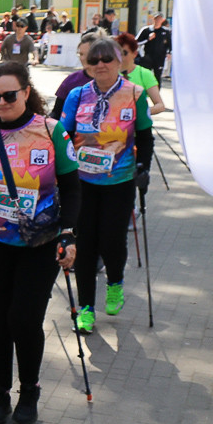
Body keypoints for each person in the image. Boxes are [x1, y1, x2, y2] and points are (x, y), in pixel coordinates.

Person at [0, 61, 81, 424]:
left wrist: (69, 233)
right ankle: (0, 392)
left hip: (39, 242)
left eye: (9, 95)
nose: (1, 102)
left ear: (27, 92)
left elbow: (72, 188)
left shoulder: (51, 131)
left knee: (24, 319)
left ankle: (30, 390)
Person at [61, 37, 153, 334]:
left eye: (107, 59)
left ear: (119, 62)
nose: (100, 65)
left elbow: (145, 135)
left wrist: (143, 167)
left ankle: (115, 283)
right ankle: (86, 308)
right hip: (83, 181)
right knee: (84, 245)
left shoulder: (134, 93)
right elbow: (63, 137)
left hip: (120, 180)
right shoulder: (77, 95)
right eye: (93, 60)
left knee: (112, 240)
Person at [51, 31, 100, 120]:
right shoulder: (71, 81)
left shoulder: (112, 80)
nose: (82, 58)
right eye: (80, 54)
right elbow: (56, 114)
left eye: (87, 54)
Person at [117, 33, 166, 115]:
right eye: (117, 53)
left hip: (136, 125)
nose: (120, 56)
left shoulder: (144, 74)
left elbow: (160, 105)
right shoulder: (109, 72)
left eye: (124, 53)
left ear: (135, 54)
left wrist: (138, 113)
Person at [136, 13, 171, 88]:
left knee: (157, 76)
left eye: (160, 19)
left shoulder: (166, 32)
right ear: (153, 19)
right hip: (147, 57)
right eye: (156, 18)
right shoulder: (146, 30)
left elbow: (170, 44)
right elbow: (137, 42)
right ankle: (144, 92)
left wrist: (169, 53)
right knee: (145, 76)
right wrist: (148, 39)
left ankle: (156, 94)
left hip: (160, 58)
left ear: (162, 20)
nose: (158, 20)